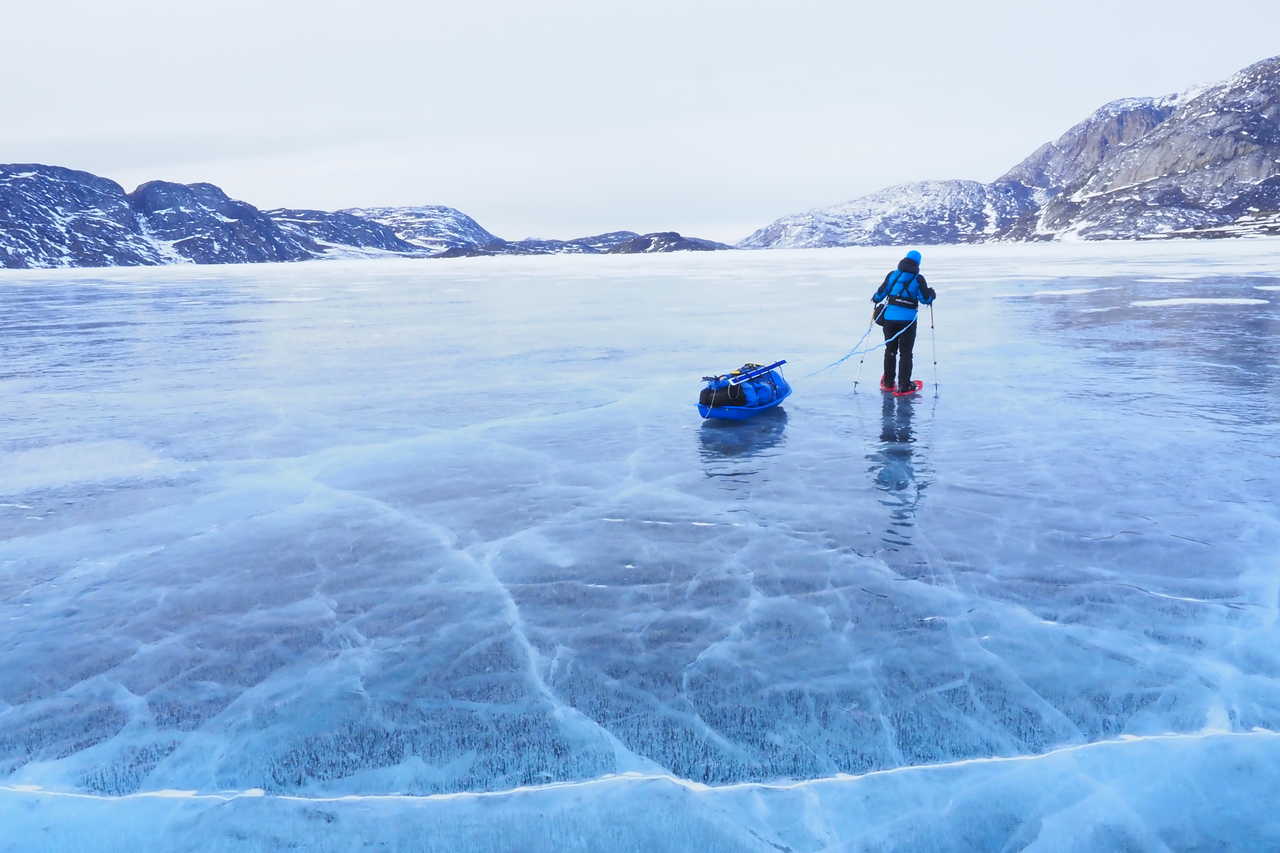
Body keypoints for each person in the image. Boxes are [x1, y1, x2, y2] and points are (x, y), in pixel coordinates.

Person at [871, 249, 936, 395]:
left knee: (890, 350)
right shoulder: (918, 279)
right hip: (908, 321)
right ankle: (904, 385)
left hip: (889, 320)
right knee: (906, 353)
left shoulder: (893, 275)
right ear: (918, 263)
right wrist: (932, 294)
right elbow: (925, 299)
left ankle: (888, 382)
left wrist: (875, 299)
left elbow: (880, 294)